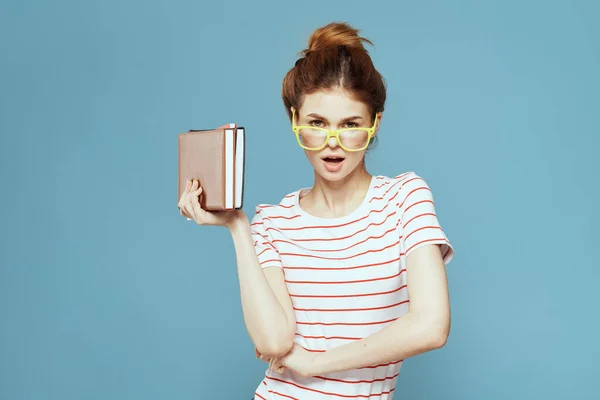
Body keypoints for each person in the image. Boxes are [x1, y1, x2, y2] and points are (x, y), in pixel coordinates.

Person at [178, 21, 454, 400]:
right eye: (317, 123)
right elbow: (274, 342)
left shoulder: (405, 199)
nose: (333, 142)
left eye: (350, 124)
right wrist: (238, 227)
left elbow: (432, 326)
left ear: (375, 124)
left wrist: (315, 362)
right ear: (296, 121)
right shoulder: (273, 222)